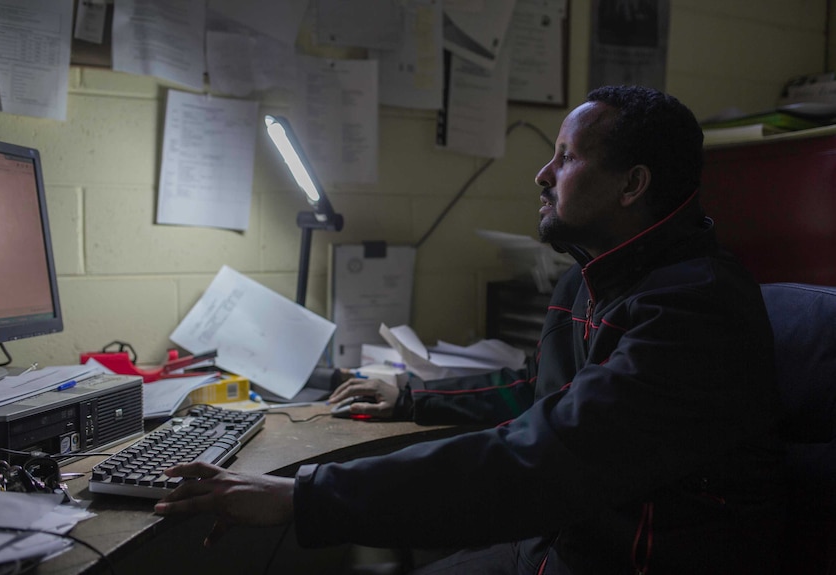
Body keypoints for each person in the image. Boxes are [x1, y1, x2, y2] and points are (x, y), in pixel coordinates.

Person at [154, 85, 787, 574]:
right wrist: (410, 396)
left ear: (633, 185)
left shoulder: (694, 309)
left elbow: (544, 456)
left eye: (566, 158)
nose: (542, 174)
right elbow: (537, 389)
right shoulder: (588, 279)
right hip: (560, 545)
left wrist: (306, 496)